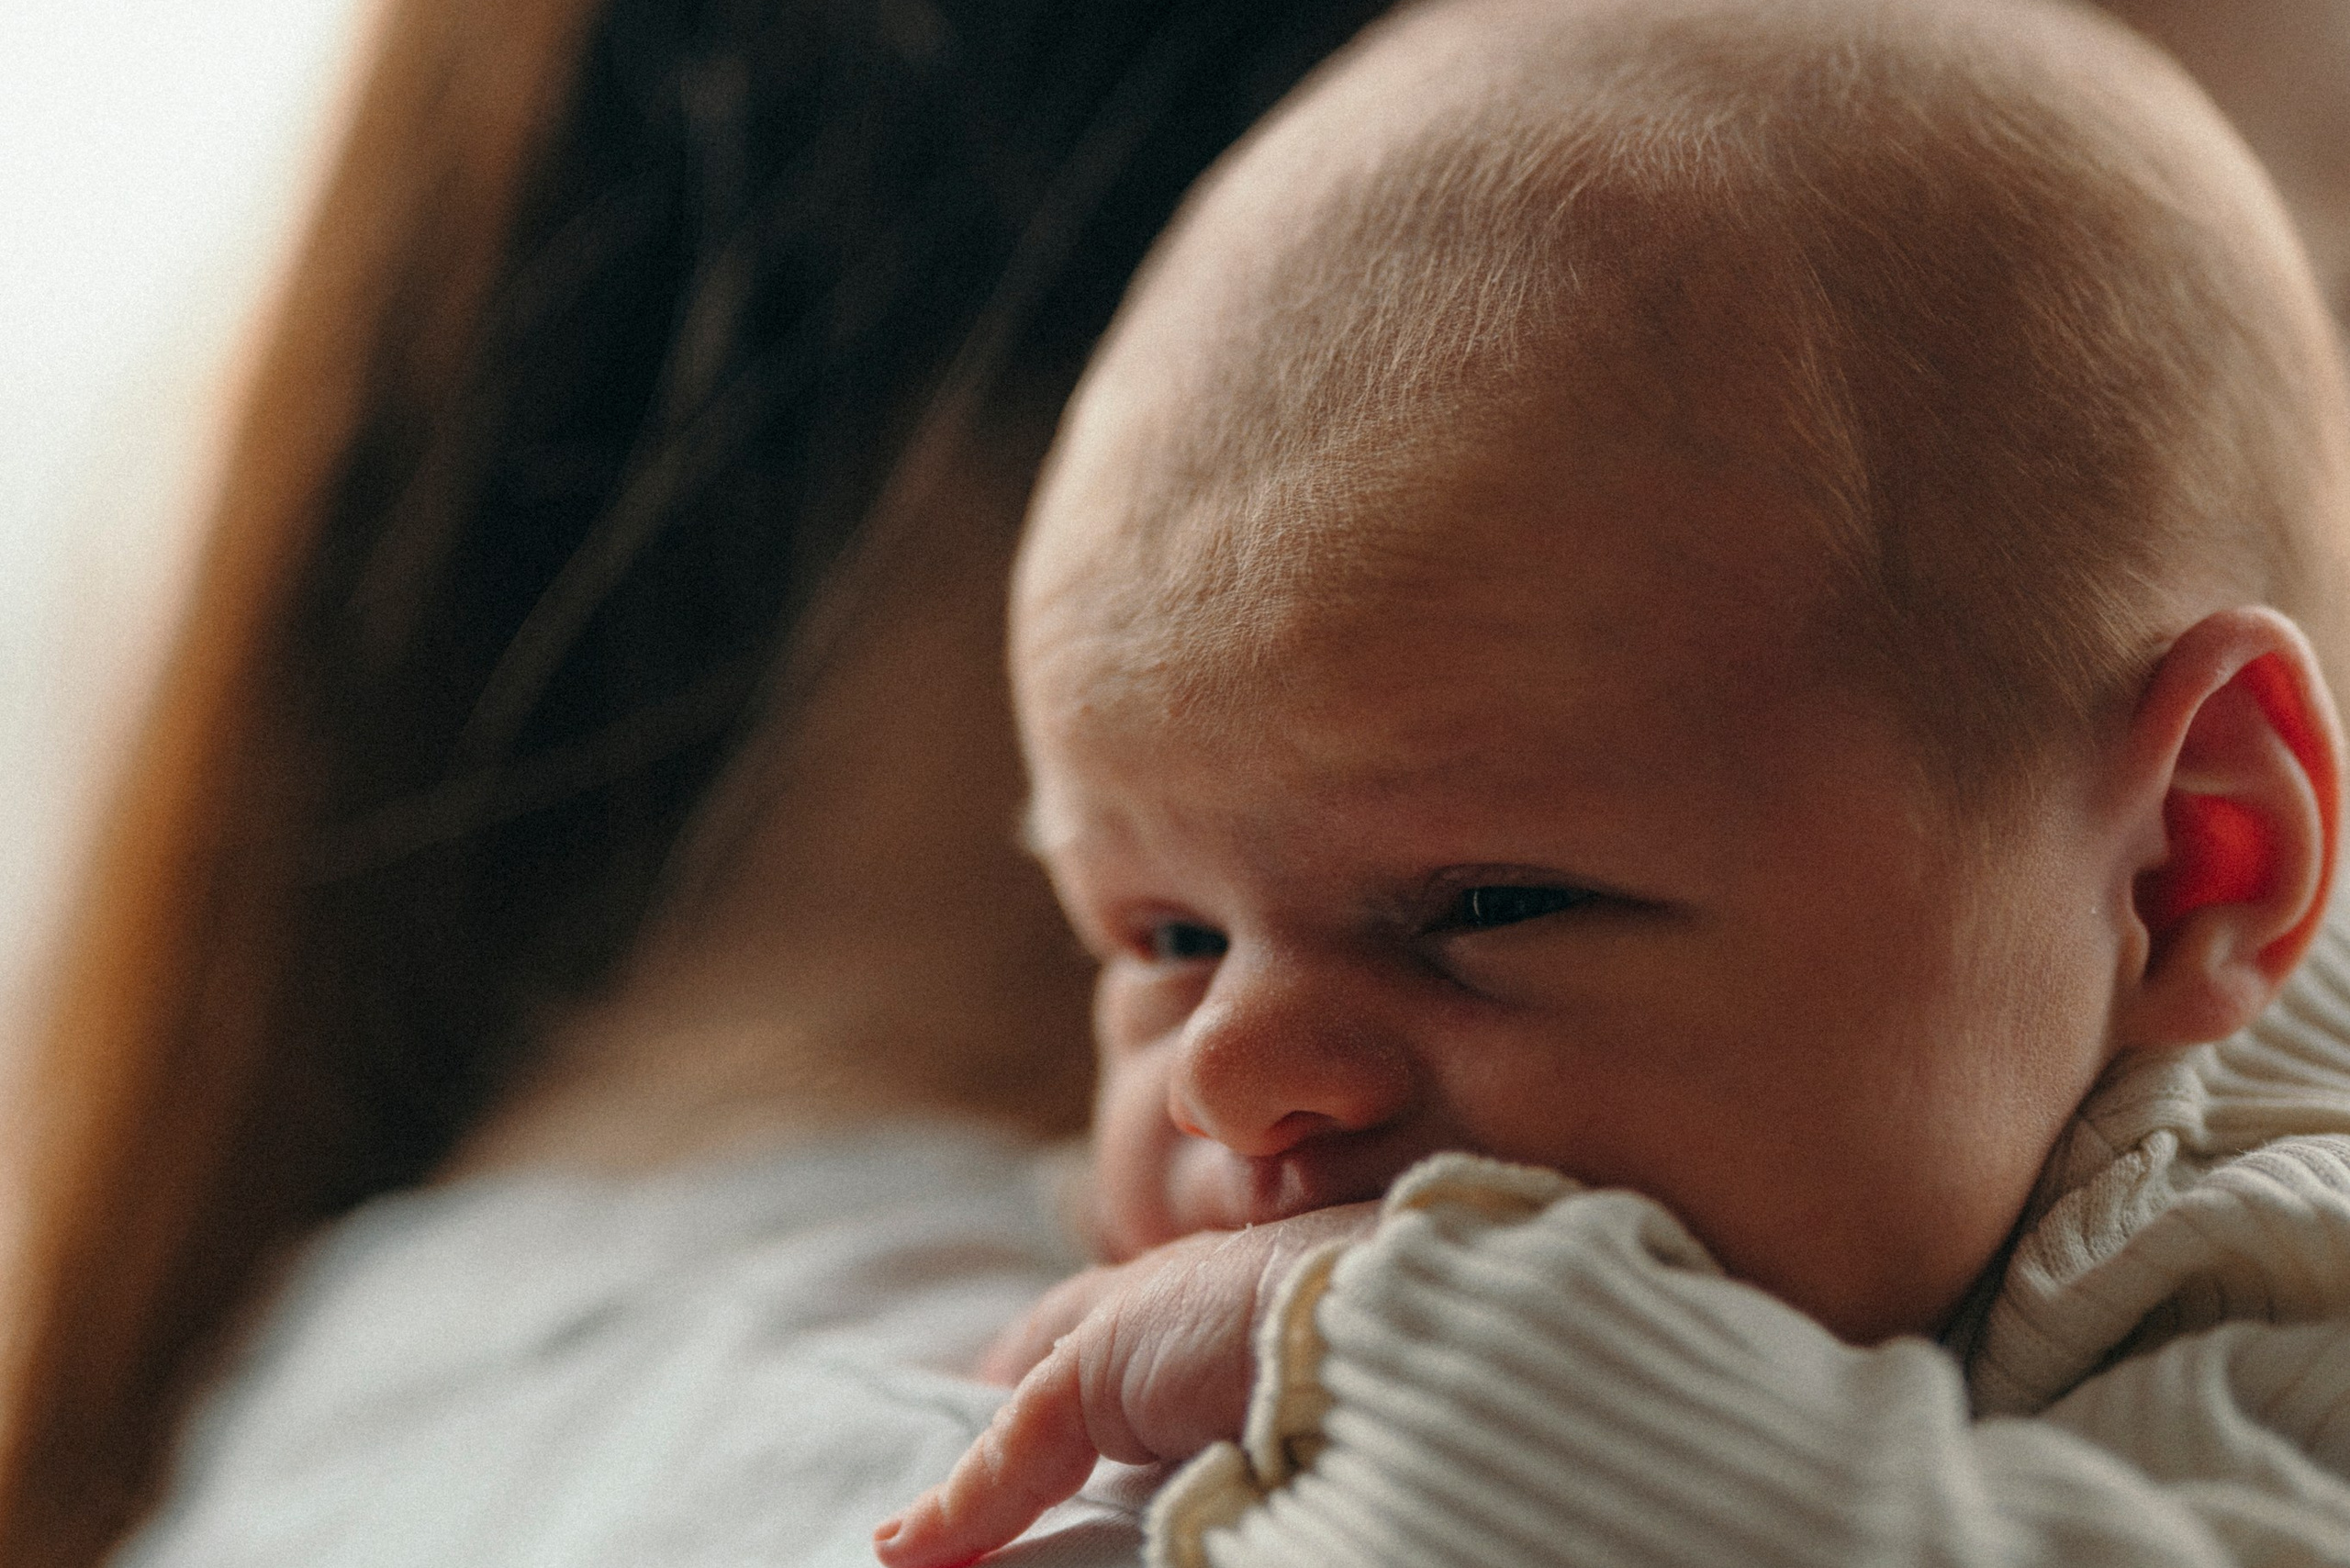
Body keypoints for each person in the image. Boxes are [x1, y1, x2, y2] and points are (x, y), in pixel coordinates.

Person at [872, 0, 2350, 1562]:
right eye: (1169, 938)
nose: (1230, 1076)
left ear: (2192, 864)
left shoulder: (2271, 1247)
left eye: (1490, 905)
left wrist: (1409, 1335)